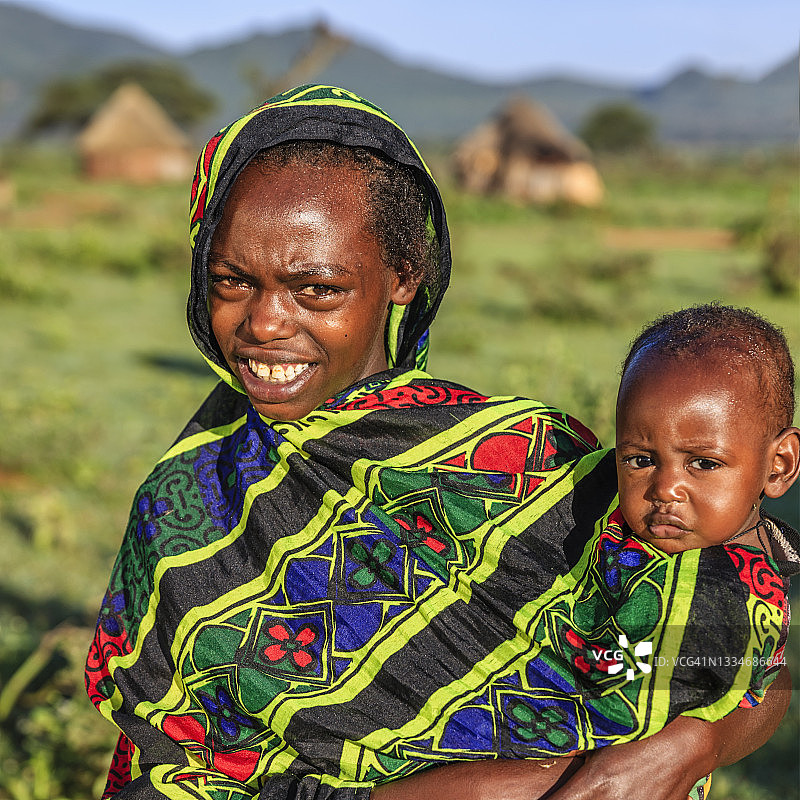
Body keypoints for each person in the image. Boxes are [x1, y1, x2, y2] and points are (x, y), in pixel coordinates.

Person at [85, 85, 791, 800]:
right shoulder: (184, 513)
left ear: (402, 276)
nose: (266, 323)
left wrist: (691, 745)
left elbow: (747, 660)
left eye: (317, 289)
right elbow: (172, 771)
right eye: (232, 281)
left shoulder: (531, 461)